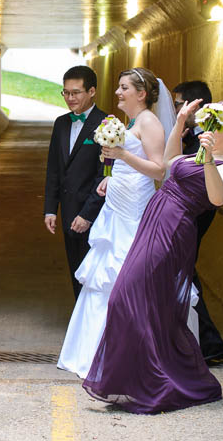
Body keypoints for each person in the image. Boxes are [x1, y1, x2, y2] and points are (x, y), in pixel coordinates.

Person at [83, 100, 223, 414]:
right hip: (155, 220)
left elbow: (218, 197)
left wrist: (206, 160)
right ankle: (144, 377)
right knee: (134, 299)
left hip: (172, 230)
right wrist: (179, 123)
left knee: (129, 297)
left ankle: (158, 380)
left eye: (215, 128)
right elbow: (167, 165)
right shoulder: (206, 153)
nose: (208, 131)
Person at [57, 67, 175, 378]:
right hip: (117, 206)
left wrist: (121, 155)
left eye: (124, 88)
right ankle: (96, 352)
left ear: (142, 94)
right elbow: (130, 166)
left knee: (124, 275)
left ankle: (128, 355)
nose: (118, 93)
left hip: (135, 211)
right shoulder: (132, 122)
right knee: (104, 277)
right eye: (119, 87)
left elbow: (158, 170)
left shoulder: (150, 123)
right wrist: (110, 178)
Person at [173, 81, 223, 362]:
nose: (175, 109)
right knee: (187, 273)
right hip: (186, 212)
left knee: (186, 274)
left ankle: (209, 343)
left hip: (197, 212)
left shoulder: (212, 135)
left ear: (196, 105)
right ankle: (206, 342)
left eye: (178, 103)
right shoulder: (191, 135)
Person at [43, 66, 107, 300]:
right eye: (66, 93)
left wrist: (88, 214)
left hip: (96, 213)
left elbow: (105, 176)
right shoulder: (61, 123)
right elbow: (54, 169)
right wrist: (51, 208)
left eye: (76, 93)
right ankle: (81, 322)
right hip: (69, 211)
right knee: (75, 269)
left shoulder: (106, 124)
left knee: (95, 270)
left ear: (92, 92)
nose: (70, 98)